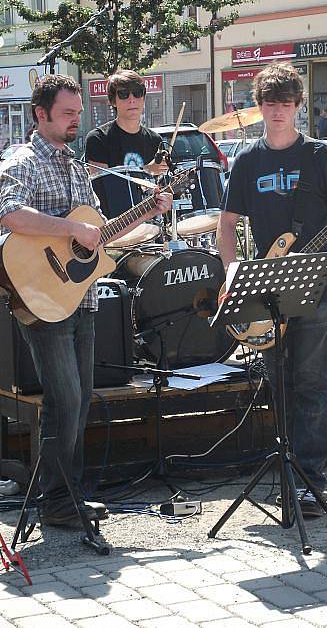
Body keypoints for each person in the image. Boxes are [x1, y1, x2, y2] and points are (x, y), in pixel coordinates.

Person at [0, 74, 171, 528]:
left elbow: (98, 234)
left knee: (78, 402)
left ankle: (67, 497)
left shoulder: (76, 165)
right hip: (41, 297)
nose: (78, 121)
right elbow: (10, 214)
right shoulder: (22, 161)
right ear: (41, 114)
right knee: (65, 400)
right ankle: (57, 502)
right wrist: (71, 230)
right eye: (68, 114)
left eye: (80, 113)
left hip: (81, 296)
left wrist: (148, 211)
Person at [217, 63, 327, 517]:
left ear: (298, 107)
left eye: (286, 104)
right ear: (259, 106)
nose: (278, 112)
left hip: (315, 285)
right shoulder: (248, 159)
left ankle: (310, 480)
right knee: (279, 382)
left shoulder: (320, 156)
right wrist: (231, 274)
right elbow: (227, 225)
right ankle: (285, 469)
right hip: (265, 288)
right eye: (270, 104)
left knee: (311, 383)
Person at [85, 69, 167, 176]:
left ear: (143, 98)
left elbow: (161, 186)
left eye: (137, 93)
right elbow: (102, 186)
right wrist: (146, 170)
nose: (132, 99)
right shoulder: (97, 139)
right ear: (113, 101)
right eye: (124, 94)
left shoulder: (155, 140)